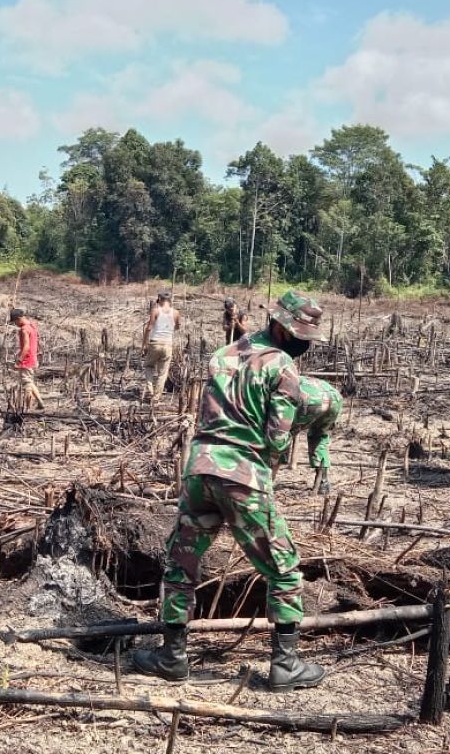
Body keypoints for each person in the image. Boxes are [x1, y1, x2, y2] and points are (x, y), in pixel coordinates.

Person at [132, 290, 328, 692]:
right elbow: (277, 439)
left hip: (200, 469)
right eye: (299, 332)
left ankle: (172, 657)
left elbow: (210, 414)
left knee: (180, 563)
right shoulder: (284, 367)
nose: (303, 341)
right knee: (284, 566)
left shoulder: (222, 355)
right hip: (243, 476)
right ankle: (285, 664)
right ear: (280, 326)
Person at [142, 291, 181, 401]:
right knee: (163, 373)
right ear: (170, 300)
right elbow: (177, 327)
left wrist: (144, 344)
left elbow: (149, 328)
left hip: (155, 343)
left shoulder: (155, 310)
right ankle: (156, 397)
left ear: (159, 299)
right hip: (168, 344)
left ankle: (150, 391)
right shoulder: (176, 313)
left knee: (149, 366)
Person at [11, 307, 44, 411]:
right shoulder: (32, 326)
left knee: (27, 384)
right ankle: (40, 403)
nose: (15, 324)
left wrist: (19, 360)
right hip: (33, 359)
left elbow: (26, 347)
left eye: (15, 321)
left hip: (27, 360)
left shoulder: (24, 329)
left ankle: (27, 409)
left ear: (19, 318)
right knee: (30, 381)